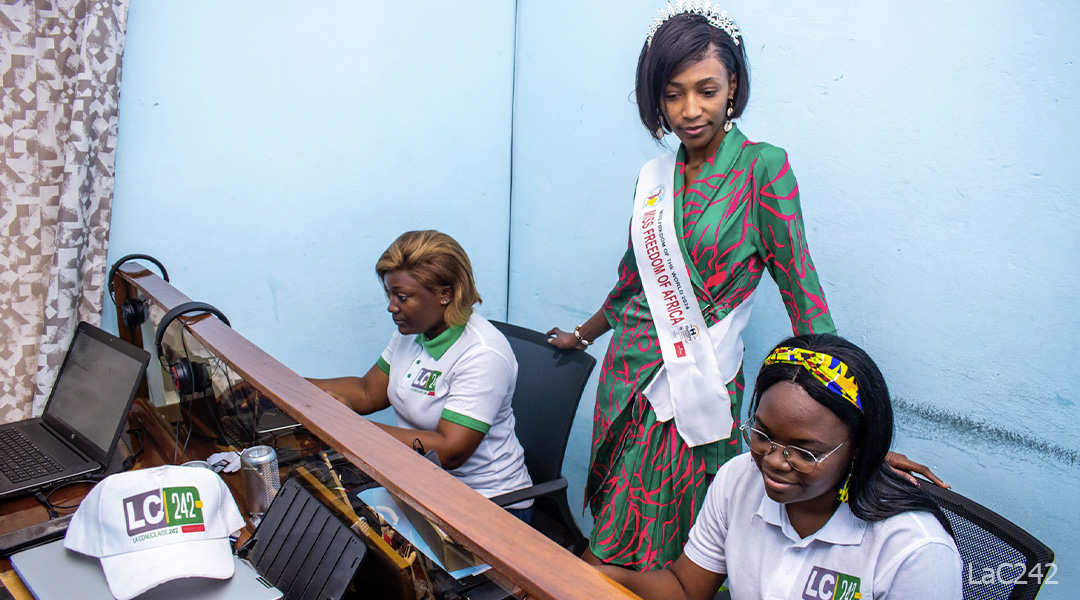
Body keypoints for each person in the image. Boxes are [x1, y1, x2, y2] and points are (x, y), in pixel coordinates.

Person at [548, 4, 943, 569]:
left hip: (695, 378)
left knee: (656, 536)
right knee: (617, 506)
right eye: (672, 93)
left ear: (733, 85)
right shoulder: (652, 179)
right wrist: (584, 336)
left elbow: (804, 296)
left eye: (706, 90)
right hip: (626, 371)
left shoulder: (764, 168)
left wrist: (860, 429)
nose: (689, 110)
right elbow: (631, 281)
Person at [599, 333, 962, 600]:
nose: (772, 461)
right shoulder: (739, 480)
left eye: (805, 453)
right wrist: (595, 577)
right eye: (762, 434)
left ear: (858, 449)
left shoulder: (913, 550)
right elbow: (684, 588)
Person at [310, 230, 534, 521]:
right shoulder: (413, 333)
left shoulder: (483, 353)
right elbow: (367, 392)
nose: (392, 306)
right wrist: (285, 386)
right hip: (425, 488)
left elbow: (450, 452)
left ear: (445, 294)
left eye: (402, 297)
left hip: (489, 505)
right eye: (390, 294)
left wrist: (348, 426)